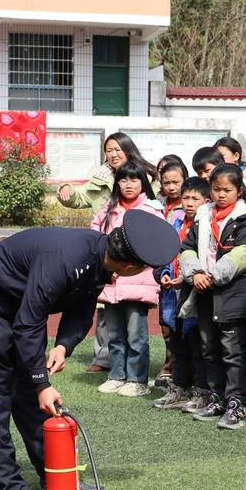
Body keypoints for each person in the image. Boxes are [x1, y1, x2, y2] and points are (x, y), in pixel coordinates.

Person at [0, 211, 180, 490]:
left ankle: (55, 475)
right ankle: (9, 489)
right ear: (130, 267)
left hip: (24, 306)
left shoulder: (101, 255)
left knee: (31, 399)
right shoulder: (65, 261)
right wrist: (41, 383)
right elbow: (29, 323)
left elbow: (82, 307)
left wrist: (64, 345)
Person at [58, 132, 158, 375]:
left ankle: (136, 377)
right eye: (109, 150)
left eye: (117, 149)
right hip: (108, 265)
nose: (113, 154)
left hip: (136, 273)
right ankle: (108, 364)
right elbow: (82, 202)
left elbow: (152, 234)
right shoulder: (101, 181)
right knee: (106, 316)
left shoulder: (148, 189)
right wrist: (65, 189)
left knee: (135, 328)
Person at [178, 163, 246, 429]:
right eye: (216, 189)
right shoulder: (203, 216)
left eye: (227, 190)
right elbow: (187, 248)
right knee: (210, 349)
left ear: (239, 191)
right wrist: (195, 274)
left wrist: (212, 276)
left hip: (233, 296)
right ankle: (217, 399)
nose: (221, 195)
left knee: (232, 352)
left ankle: (236, 404)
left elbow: (245, 253)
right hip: (205, 293)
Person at [91, 163, 166, 397]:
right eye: (123, 180)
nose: (128, 185)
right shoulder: (107, 209)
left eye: (134, 180)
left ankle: (137, 380)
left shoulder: (151, 210)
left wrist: (127, 267)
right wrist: (108, 268)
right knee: (114, 334)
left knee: (136, 335)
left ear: (143, 183)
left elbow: (156, 245)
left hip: (138, 281)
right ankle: (117, 376)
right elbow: (95, 240)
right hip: (111, 281)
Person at [153, 176, 210, 410]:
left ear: (206, 202)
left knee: (198, 347)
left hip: (196, 297)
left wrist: (186, 279)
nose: (189, 203)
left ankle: (201, 391)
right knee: (177, 345)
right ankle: (178, 388)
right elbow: (163, 255)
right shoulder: (175, 225)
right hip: (173, 297)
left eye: (195, 198)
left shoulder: (207, 227)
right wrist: (164, 273)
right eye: (185, 198)